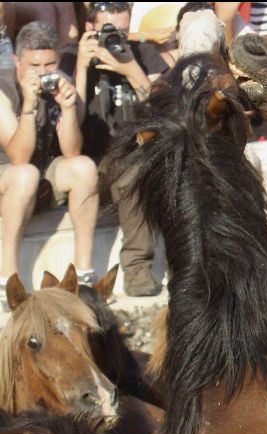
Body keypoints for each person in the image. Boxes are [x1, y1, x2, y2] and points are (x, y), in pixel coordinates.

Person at [61, 1, 169, 296]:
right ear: (88, 29)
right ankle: (136, 270)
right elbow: (73, 121)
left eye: (121, 31)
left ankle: (147, 271)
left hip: (136, 156)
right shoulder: (70, 58)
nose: (114, 39)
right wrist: (82, 68)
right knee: (130, 170)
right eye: (107, 31)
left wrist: (132, 70)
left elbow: (165, 112)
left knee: (142, 166)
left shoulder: (142, 55)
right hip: (91, 160)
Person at [0, 21, 99, 310]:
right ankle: (8, 277)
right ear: (17, 60)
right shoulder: (3, 89)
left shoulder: (59, 80)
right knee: (24, 174)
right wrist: (29, 106)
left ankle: (83, 274)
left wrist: (68, 109)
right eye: (34, 65)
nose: (43, 72)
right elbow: (17, 155)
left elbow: (72, 150)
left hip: (39, 175)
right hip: (9, 174)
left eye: (50, 63)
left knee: (83, 167)